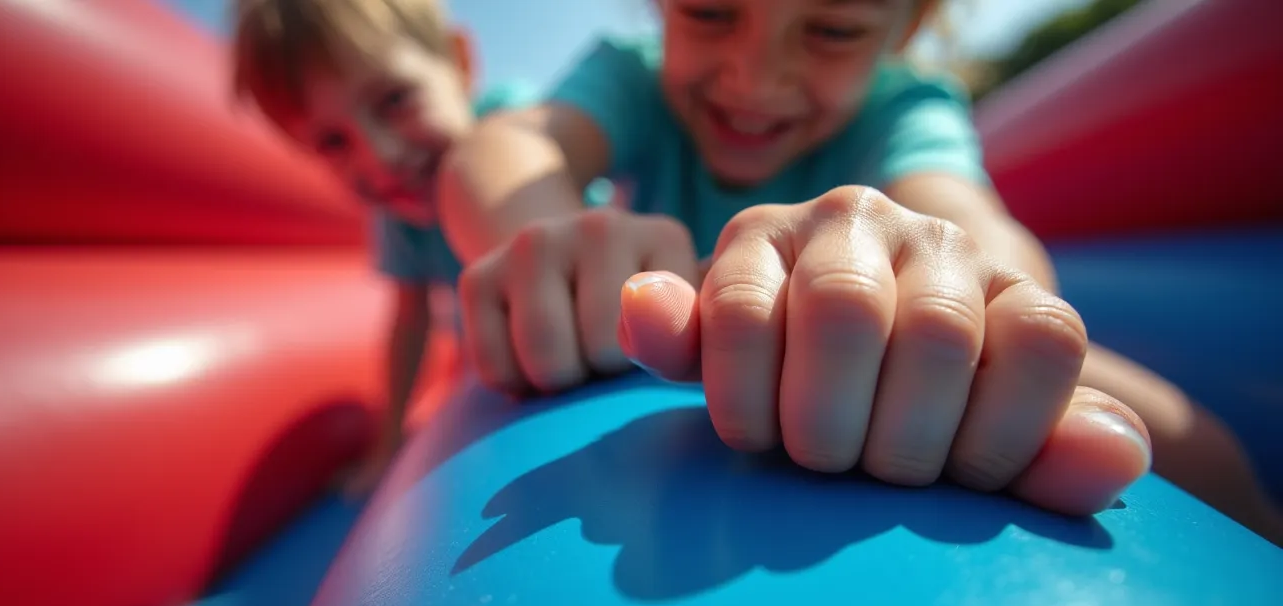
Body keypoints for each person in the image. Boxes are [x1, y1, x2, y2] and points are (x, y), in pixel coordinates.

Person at [438, 0, 1282, 542]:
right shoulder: (628, 73)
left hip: (886, 327)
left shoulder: (906, 107)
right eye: (707, 13)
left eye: (833, 30)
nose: (754, 78)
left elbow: (977, 225)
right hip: (667, 330)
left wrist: (952, 284)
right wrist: (552, 235)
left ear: (905, 27)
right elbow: (511, 143)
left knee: (1187, 441)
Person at [231, 0, 570, 497]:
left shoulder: (515, 126)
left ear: (458, 62)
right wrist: (387, 447)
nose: (382, 158)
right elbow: (410, 323)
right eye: (333, 142)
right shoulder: (399, 217)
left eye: (394, 100)